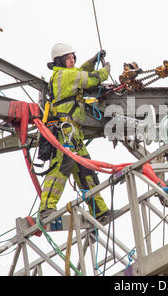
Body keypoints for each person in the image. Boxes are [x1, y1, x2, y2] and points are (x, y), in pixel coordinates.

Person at [38, 42, 112, 221]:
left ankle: (99, 210)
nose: (72, 60)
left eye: (73, 57)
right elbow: (92, 78)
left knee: (86, 170)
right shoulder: (66, 75)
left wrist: (92, 61)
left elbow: (79, 71)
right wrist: (106, 69)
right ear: (60, 61)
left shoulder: (64, 74)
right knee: (61, 168)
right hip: (66, 130)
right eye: (68, 58)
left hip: (73, 132)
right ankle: (46, 208)